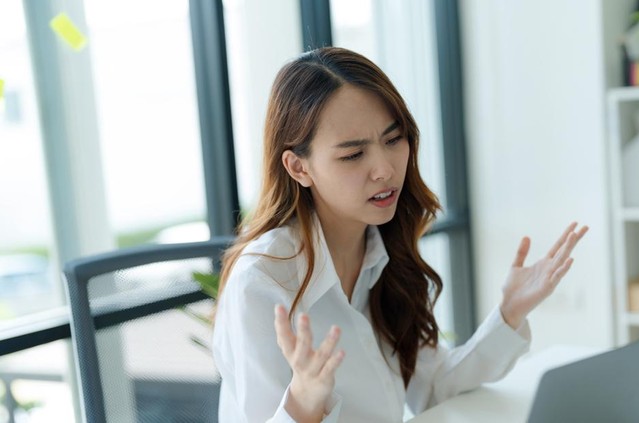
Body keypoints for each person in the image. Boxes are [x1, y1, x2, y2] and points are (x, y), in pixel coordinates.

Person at [212, 46, 588, 422]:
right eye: (353, 155)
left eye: (394, 140)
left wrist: (509, 313)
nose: (384, 169)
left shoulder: (382, 249)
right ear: (298, 167)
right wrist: (304, 404)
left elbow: (434, 385)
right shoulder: (261, 281)